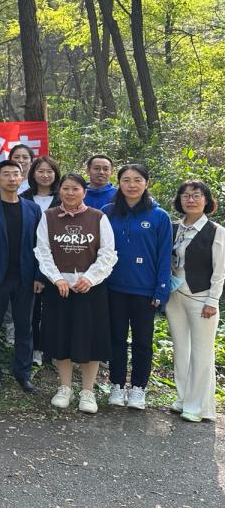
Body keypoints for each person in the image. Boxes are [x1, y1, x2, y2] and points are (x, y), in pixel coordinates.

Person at [34, 173, 117, 414]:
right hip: (59, 287)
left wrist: (90, 278)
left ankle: (88, 391)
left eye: (75, 189)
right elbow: (42, 250)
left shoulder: (98, 217)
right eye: (66, 188)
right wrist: (57, 278)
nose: (70, 193)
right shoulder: (48, 216)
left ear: (84, 192)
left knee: (91, 339)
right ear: (59, 191)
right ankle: (65, 387)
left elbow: (108, 252)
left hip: (90, 287)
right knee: (61, 336)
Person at [102, 164, 172, 410]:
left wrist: (161, 289)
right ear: (119, 183)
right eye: (126, 180)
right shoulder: (108, 212)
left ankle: (139, 388)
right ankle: (117, 385)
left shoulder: (159, 216)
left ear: (146, 183)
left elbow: (164, 256)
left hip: (145, 290)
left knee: (143, 341)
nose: (131, 185)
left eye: (137, 179)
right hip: (114, 288)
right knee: (116, 338)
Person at [0, 160, 44, 394]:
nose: (12, 178)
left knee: (25, 326)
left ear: (22, 178)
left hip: (25, 277)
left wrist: (39, 275)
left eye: (16, 174)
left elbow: (39, 245)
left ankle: (23, 374)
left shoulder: (32, 209)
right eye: (6, 174)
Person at [166, 180, 224, 422]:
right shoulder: (173, 228)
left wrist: (213, 300)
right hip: (175, 296)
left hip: (202, 298)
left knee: (201, 352)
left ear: (206, 200)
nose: (190, 200)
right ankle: (183, 398)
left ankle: (198, 407)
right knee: (181, 349)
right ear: (179, 200)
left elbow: (220, 271)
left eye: (196, 195)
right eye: (186, 195)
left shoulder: (216, 231)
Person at [22, 156, 62, 365]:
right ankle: (36, 349)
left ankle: (55, 349)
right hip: (31, 259)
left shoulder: (63, 198)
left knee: (56, 308)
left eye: (49, 171)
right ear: (33, 174)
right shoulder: (23, 198)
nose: (45, 175)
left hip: (60, 260)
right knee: (33, 309)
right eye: (40, 171)